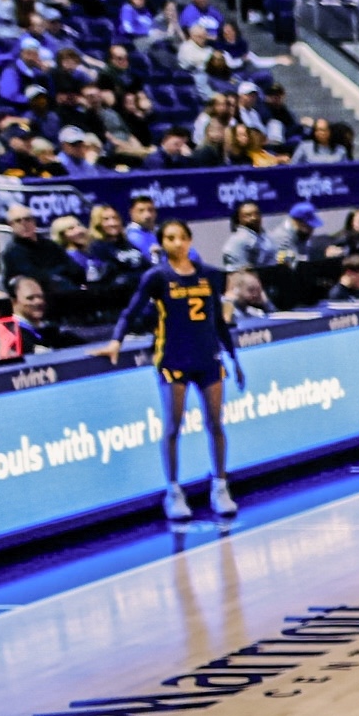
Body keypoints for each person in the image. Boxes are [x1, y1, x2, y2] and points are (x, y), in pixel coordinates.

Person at [114, 220, 243, 523]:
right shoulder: (156, 277)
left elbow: (218, 321)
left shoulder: (210, 274)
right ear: (162, 243)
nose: (178, 243)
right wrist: (115, 341)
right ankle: (173, 490)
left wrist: (234, 358)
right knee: (173, 427)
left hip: (207, 357)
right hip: (173, 359)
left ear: (190, 240)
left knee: (216, 424)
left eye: (182, 237)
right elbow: (130, 312)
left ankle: (220, 486)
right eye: (170, 238)